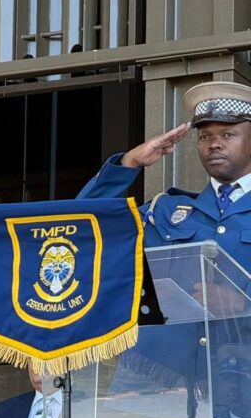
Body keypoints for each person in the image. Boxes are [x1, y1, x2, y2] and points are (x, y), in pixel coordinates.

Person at [78, 80, 251, 286]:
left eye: (227, 135)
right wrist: (130, 162)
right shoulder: (162, 211)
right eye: (204, 136)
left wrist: (243, 305)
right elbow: (82, 225)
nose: (214, 144)